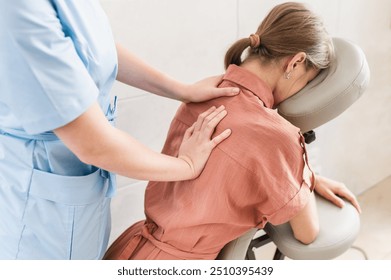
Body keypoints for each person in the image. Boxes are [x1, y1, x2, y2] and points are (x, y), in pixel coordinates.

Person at [104, 2, 362, 260]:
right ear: (295, 63)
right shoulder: (277, 137)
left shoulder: (204, 93)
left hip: (130, 249)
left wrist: (305, 177)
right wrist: (300, 167)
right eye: (307, 81)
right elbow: (308, 232)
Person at [0, 0, 239, 260]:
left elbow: (91, 47)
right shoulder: (17, 9)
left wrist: (182, 90)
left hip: (78, 191)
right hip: (39, 212)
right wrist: (187, 165)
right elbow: (94, 144)